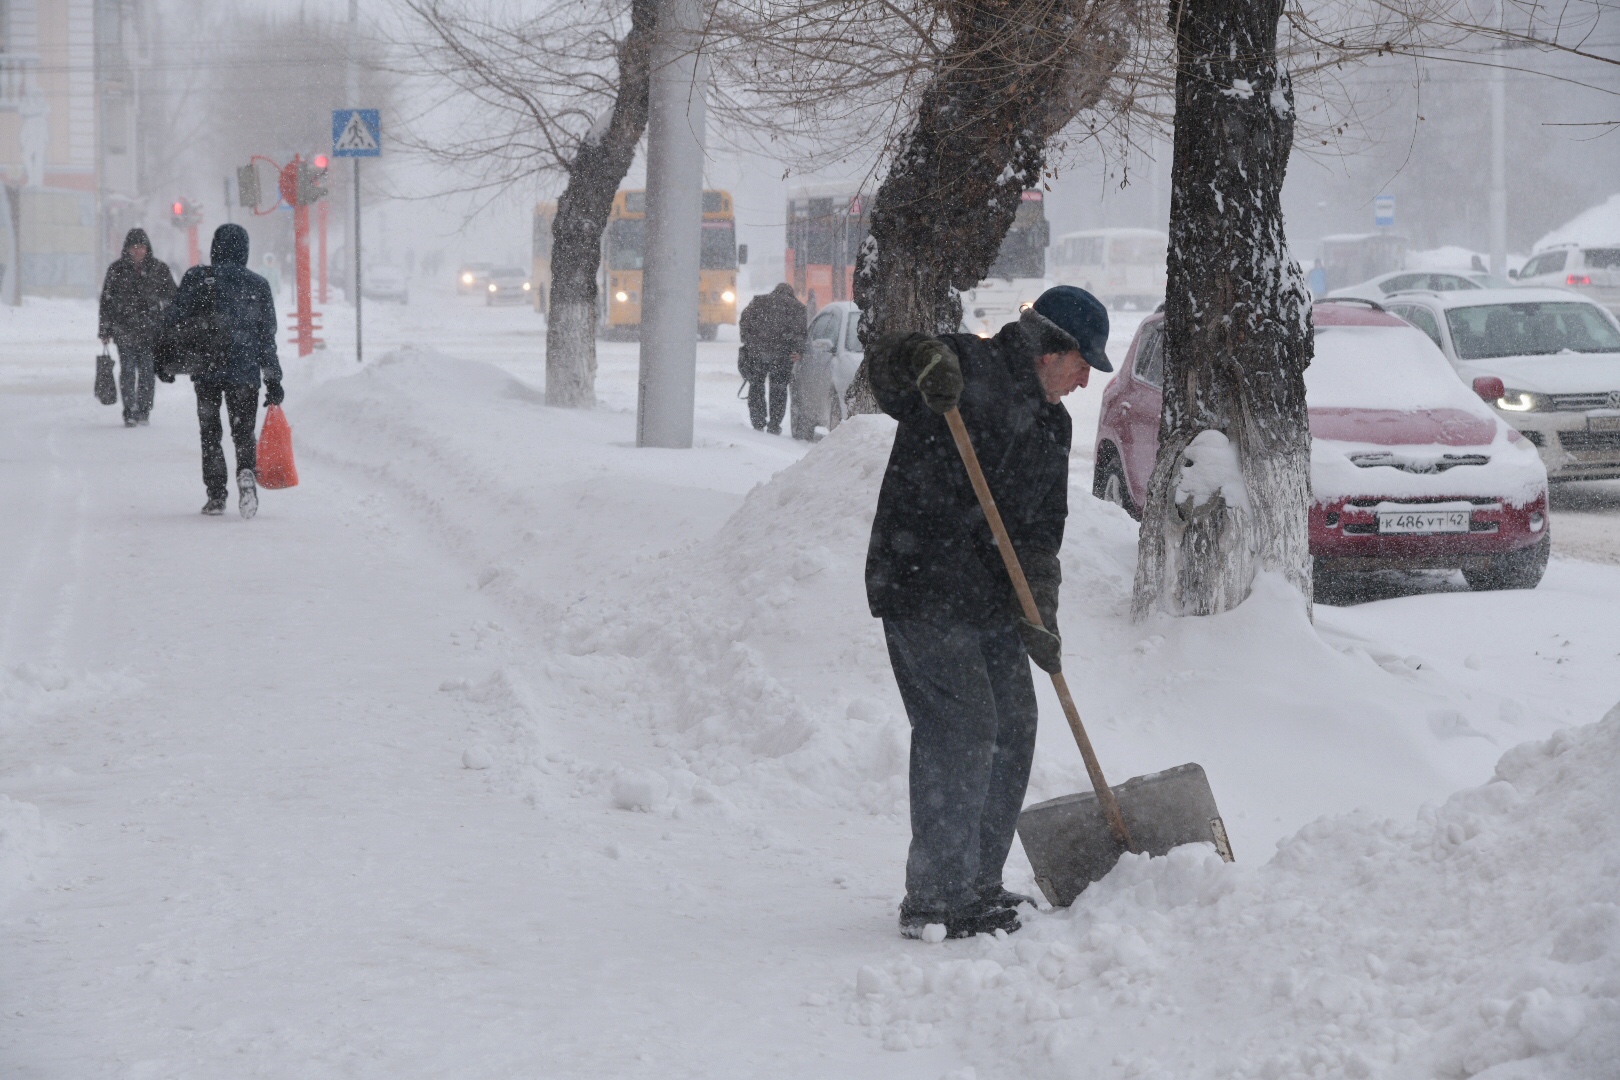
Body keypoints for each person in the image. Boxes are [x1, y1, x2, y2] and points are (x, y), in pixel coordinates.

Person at [864, 285, 1112, 940]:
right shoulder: (964, 367)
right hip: (922, 583)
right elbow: (888, 370)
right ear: (1048, 350)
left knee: (1016, 723)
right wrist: (916, 356)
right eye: (1082, 362)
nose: (1086, 380)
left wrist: (1042, 615)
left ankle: (977, 883)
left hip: (991, 598)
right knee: (964, 726)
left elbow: (1037, 536)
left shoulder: (1051, 426)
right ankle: (936, 899)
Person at [160, 224, 283, 519]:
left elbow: (172, 320)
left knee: (210, 433)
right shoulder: (258, 285)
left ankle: (216, 495)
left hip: (207, 369)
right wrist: (273, 379)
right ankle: (245, 472)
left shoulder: (198, 278)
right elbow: (266, 337)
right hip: (245, 372)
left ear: (215, 246)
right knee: (243, 432)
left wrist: (164, 360)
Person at [98, 228, 177, 427]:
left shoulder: (159, 269)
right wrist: (105, 329)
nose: (138, 251)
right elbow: (106, 301)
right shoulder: (116, 270)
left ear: (147, 248)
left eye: (141, 247)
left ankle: (144, 409)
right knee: (127, 370)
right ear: (128, 248)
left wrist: (165, 318)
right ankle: (130, 410)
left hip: (150, 330)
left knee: (147, 371)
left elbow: (172, 297)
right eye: (135, 247)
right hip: (124, 329)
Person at [737, 283, 807, 434]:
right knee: (779, 389)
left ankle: (758, 421)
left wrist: (748, 341)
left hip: (757, 352)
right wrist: (798, 351)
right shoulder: (797, 308)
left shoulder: (758, 302)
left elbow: (744, 321)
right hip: (782, 355)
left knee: (756, 386)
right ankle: (774, 424)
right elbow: (800, 332)